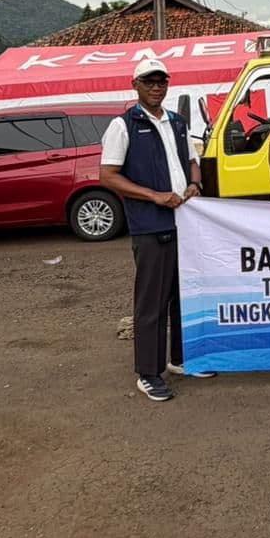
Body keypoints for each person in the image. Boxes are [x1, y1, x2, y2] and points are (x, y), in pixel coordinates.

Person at [100, 59, 216, 402]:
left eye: (161, 82)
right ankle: (148, 373)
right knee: (152, 301)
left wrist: (195, 183)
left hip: (185, 222)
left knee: (184, 294)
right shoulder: (124, 125)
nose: (156, 88)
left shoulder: (177, 122)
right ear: (136, 84)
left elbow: (192, 160)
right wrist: (153, 196)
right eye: (149, 82)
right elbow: (108, 175)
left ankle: (180, 358)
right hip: (150, 225)